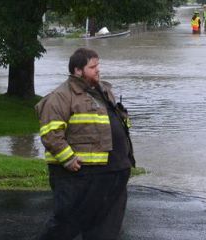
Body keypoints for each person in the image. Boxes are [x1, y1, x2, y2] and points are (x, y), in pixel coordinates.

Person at [36, 48, 135, 240]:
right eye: (93, 66)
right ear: (78, 70)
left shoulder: (104, 91)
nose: (98, 70)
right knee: (65, 226)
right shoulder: (61, 97)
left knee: (106, 229)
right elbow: (50, 133)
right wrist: (69, 159)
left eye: (98, 65)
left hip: (113, 174)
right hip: (80, 176)